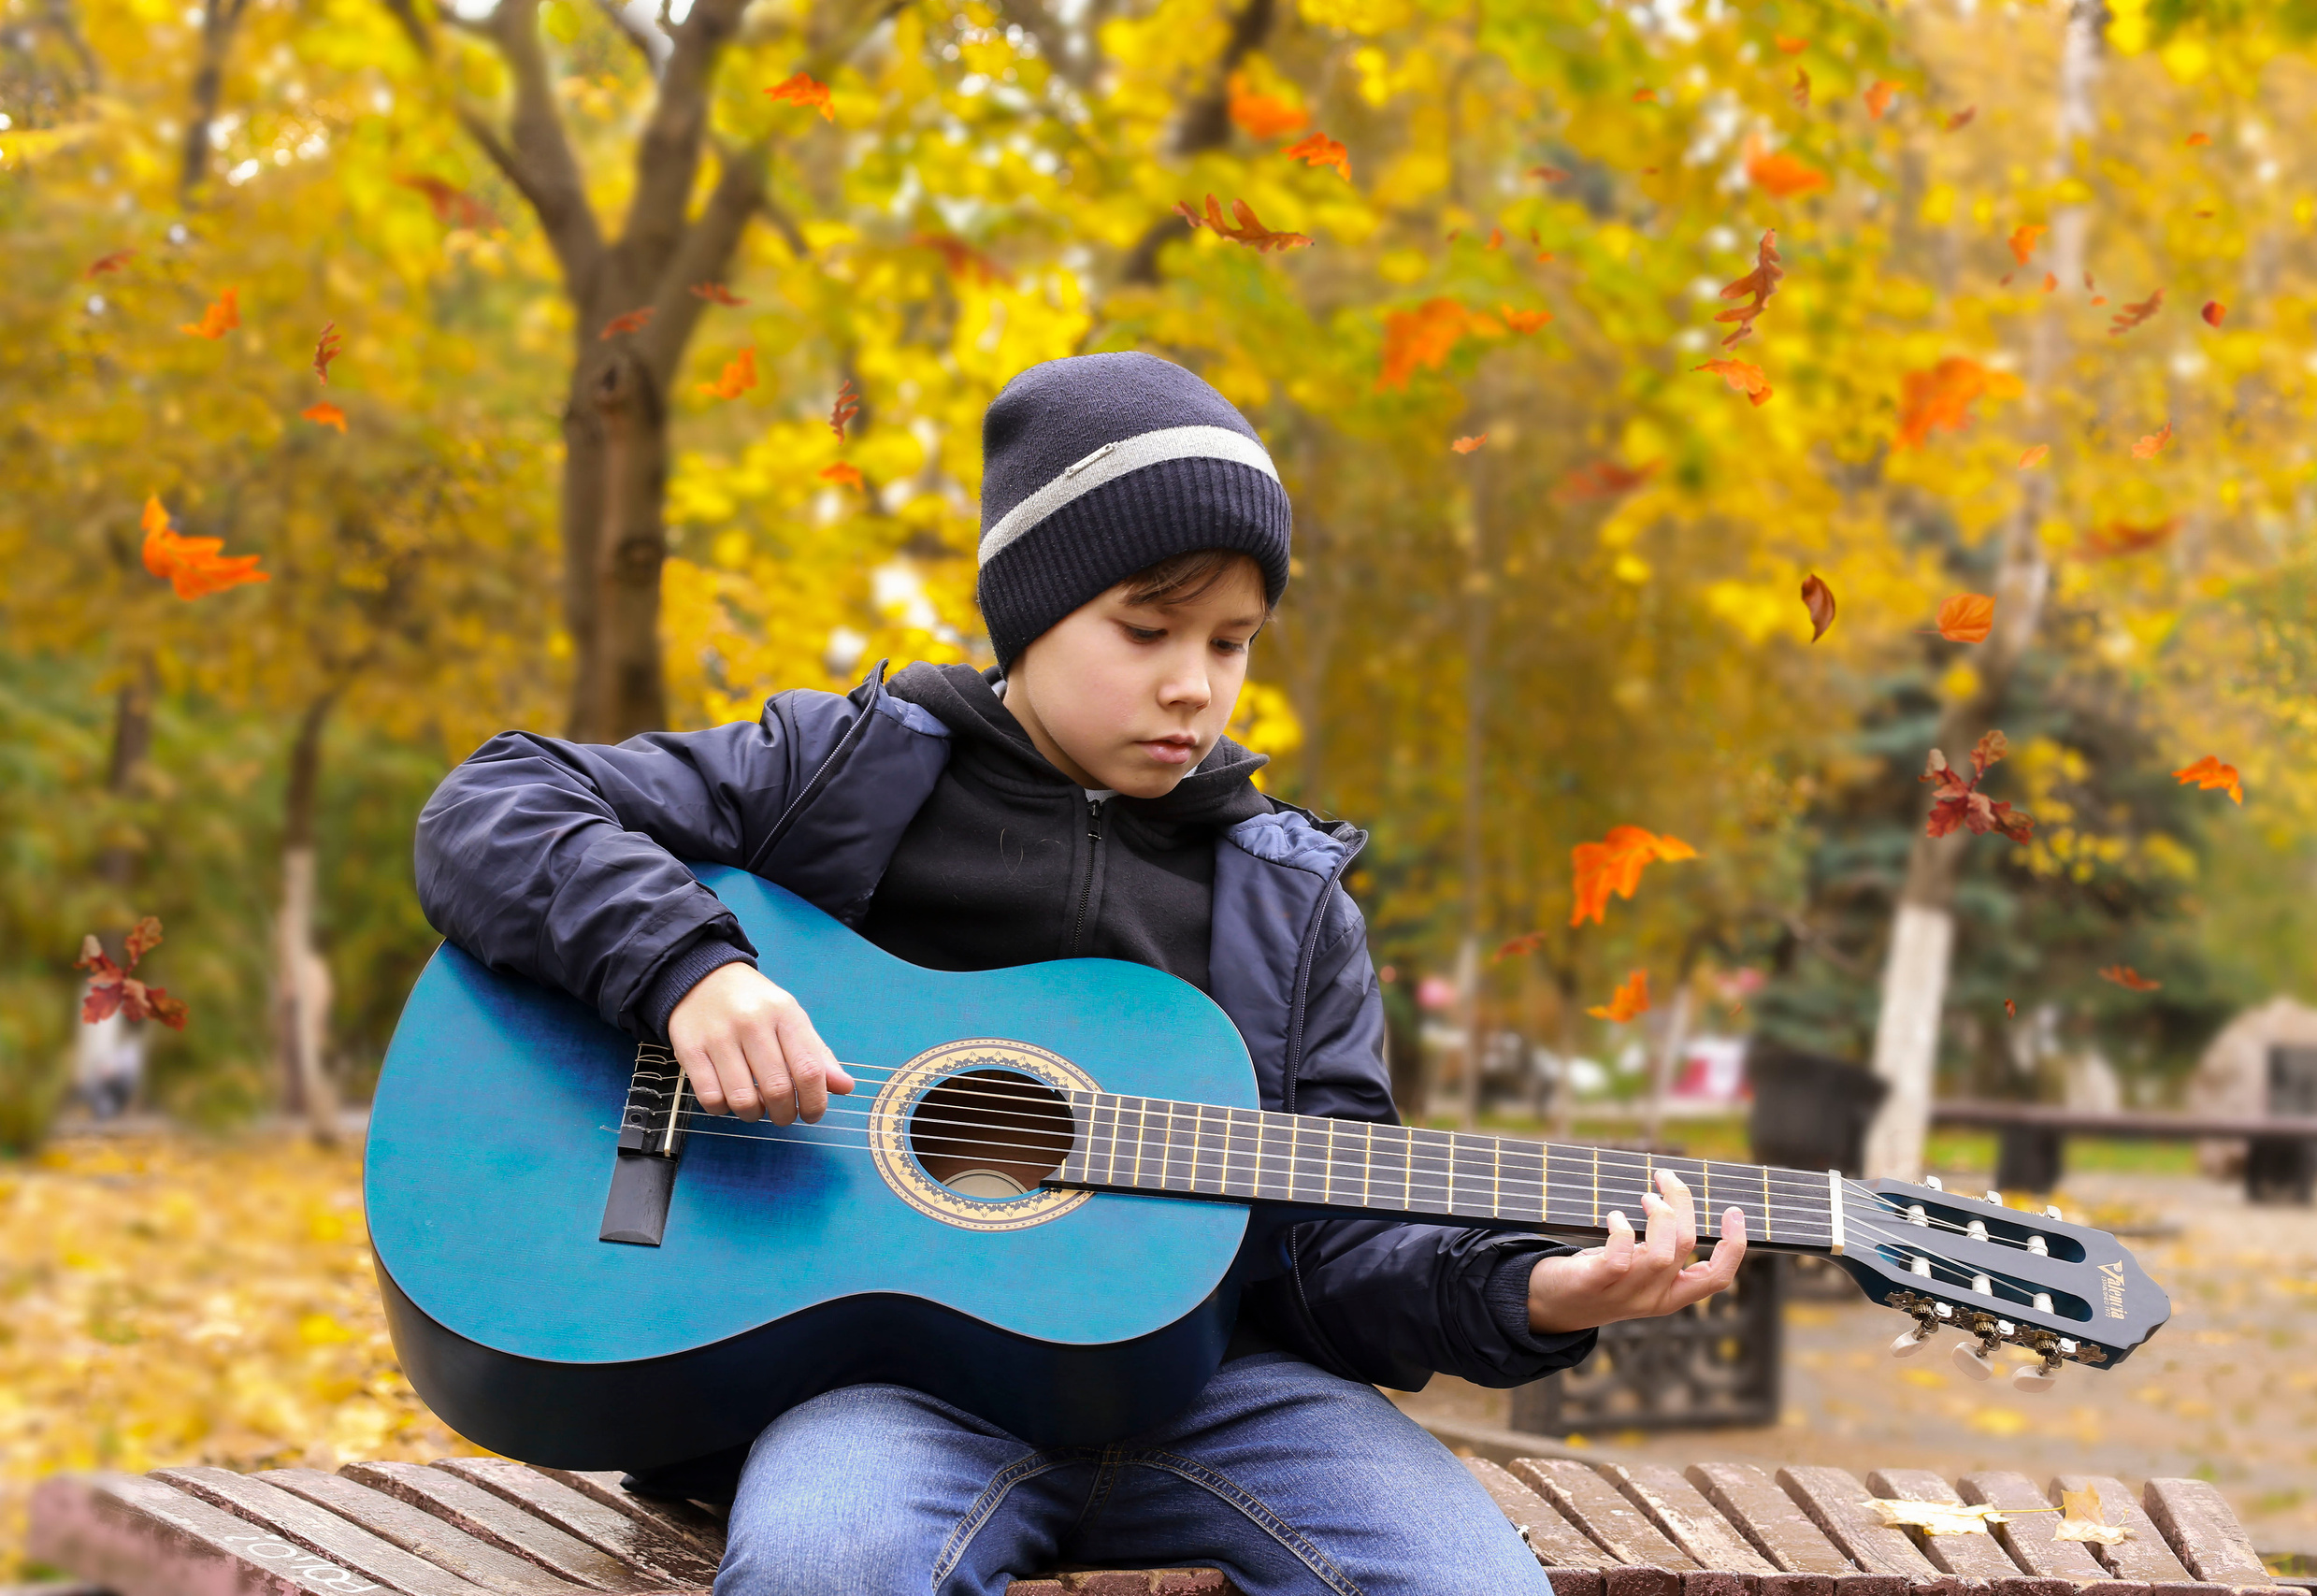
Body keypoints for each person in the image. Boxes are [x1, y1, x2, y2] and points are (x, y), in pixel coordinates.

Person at [414, 352, 1746, 1596]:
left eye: (1230, 644)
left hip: (1221, 1392)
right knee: (831, 1566)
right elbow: (496, 802)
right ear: (1034, 613)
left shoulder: (1287, 900)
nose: (1194, 689)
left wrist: (1531, 1293)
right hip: (891, 1389)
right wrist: (689, 973)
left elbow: (1337, 1247)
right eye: (1147, 631)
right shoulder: (843, 775)